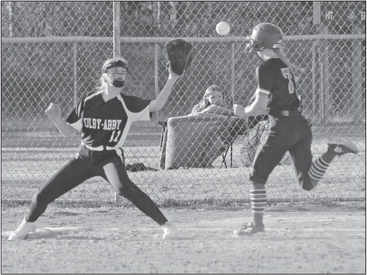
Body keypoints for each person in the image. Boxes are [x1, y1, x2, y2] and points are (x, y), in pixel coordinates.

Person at [8, 57, 181, 241]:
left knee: (125, 189)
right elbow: (69, 132)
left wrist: (172, 78)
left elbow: (157, 105)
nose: (120, 76)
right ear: (105, 76)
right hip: (84, 156)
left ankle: (167, 225)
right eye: (115, 73)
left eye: (123, 73)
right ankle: (29, 223)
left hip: (108, 157)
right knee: (43, 193)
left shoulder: (127, 104)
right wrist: (57, 119)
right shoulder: (89, 100)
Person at [232, 22, 359, 235]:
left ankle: (257, 225)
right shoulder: (283, 65)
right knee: (307, 182)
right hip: (300, 124)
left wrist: (243, 112)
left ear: (258, 44)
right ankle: (331, 152)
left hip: (281, 127)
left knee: (257, 175)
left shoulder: (263, 67)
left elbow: (261, 107)